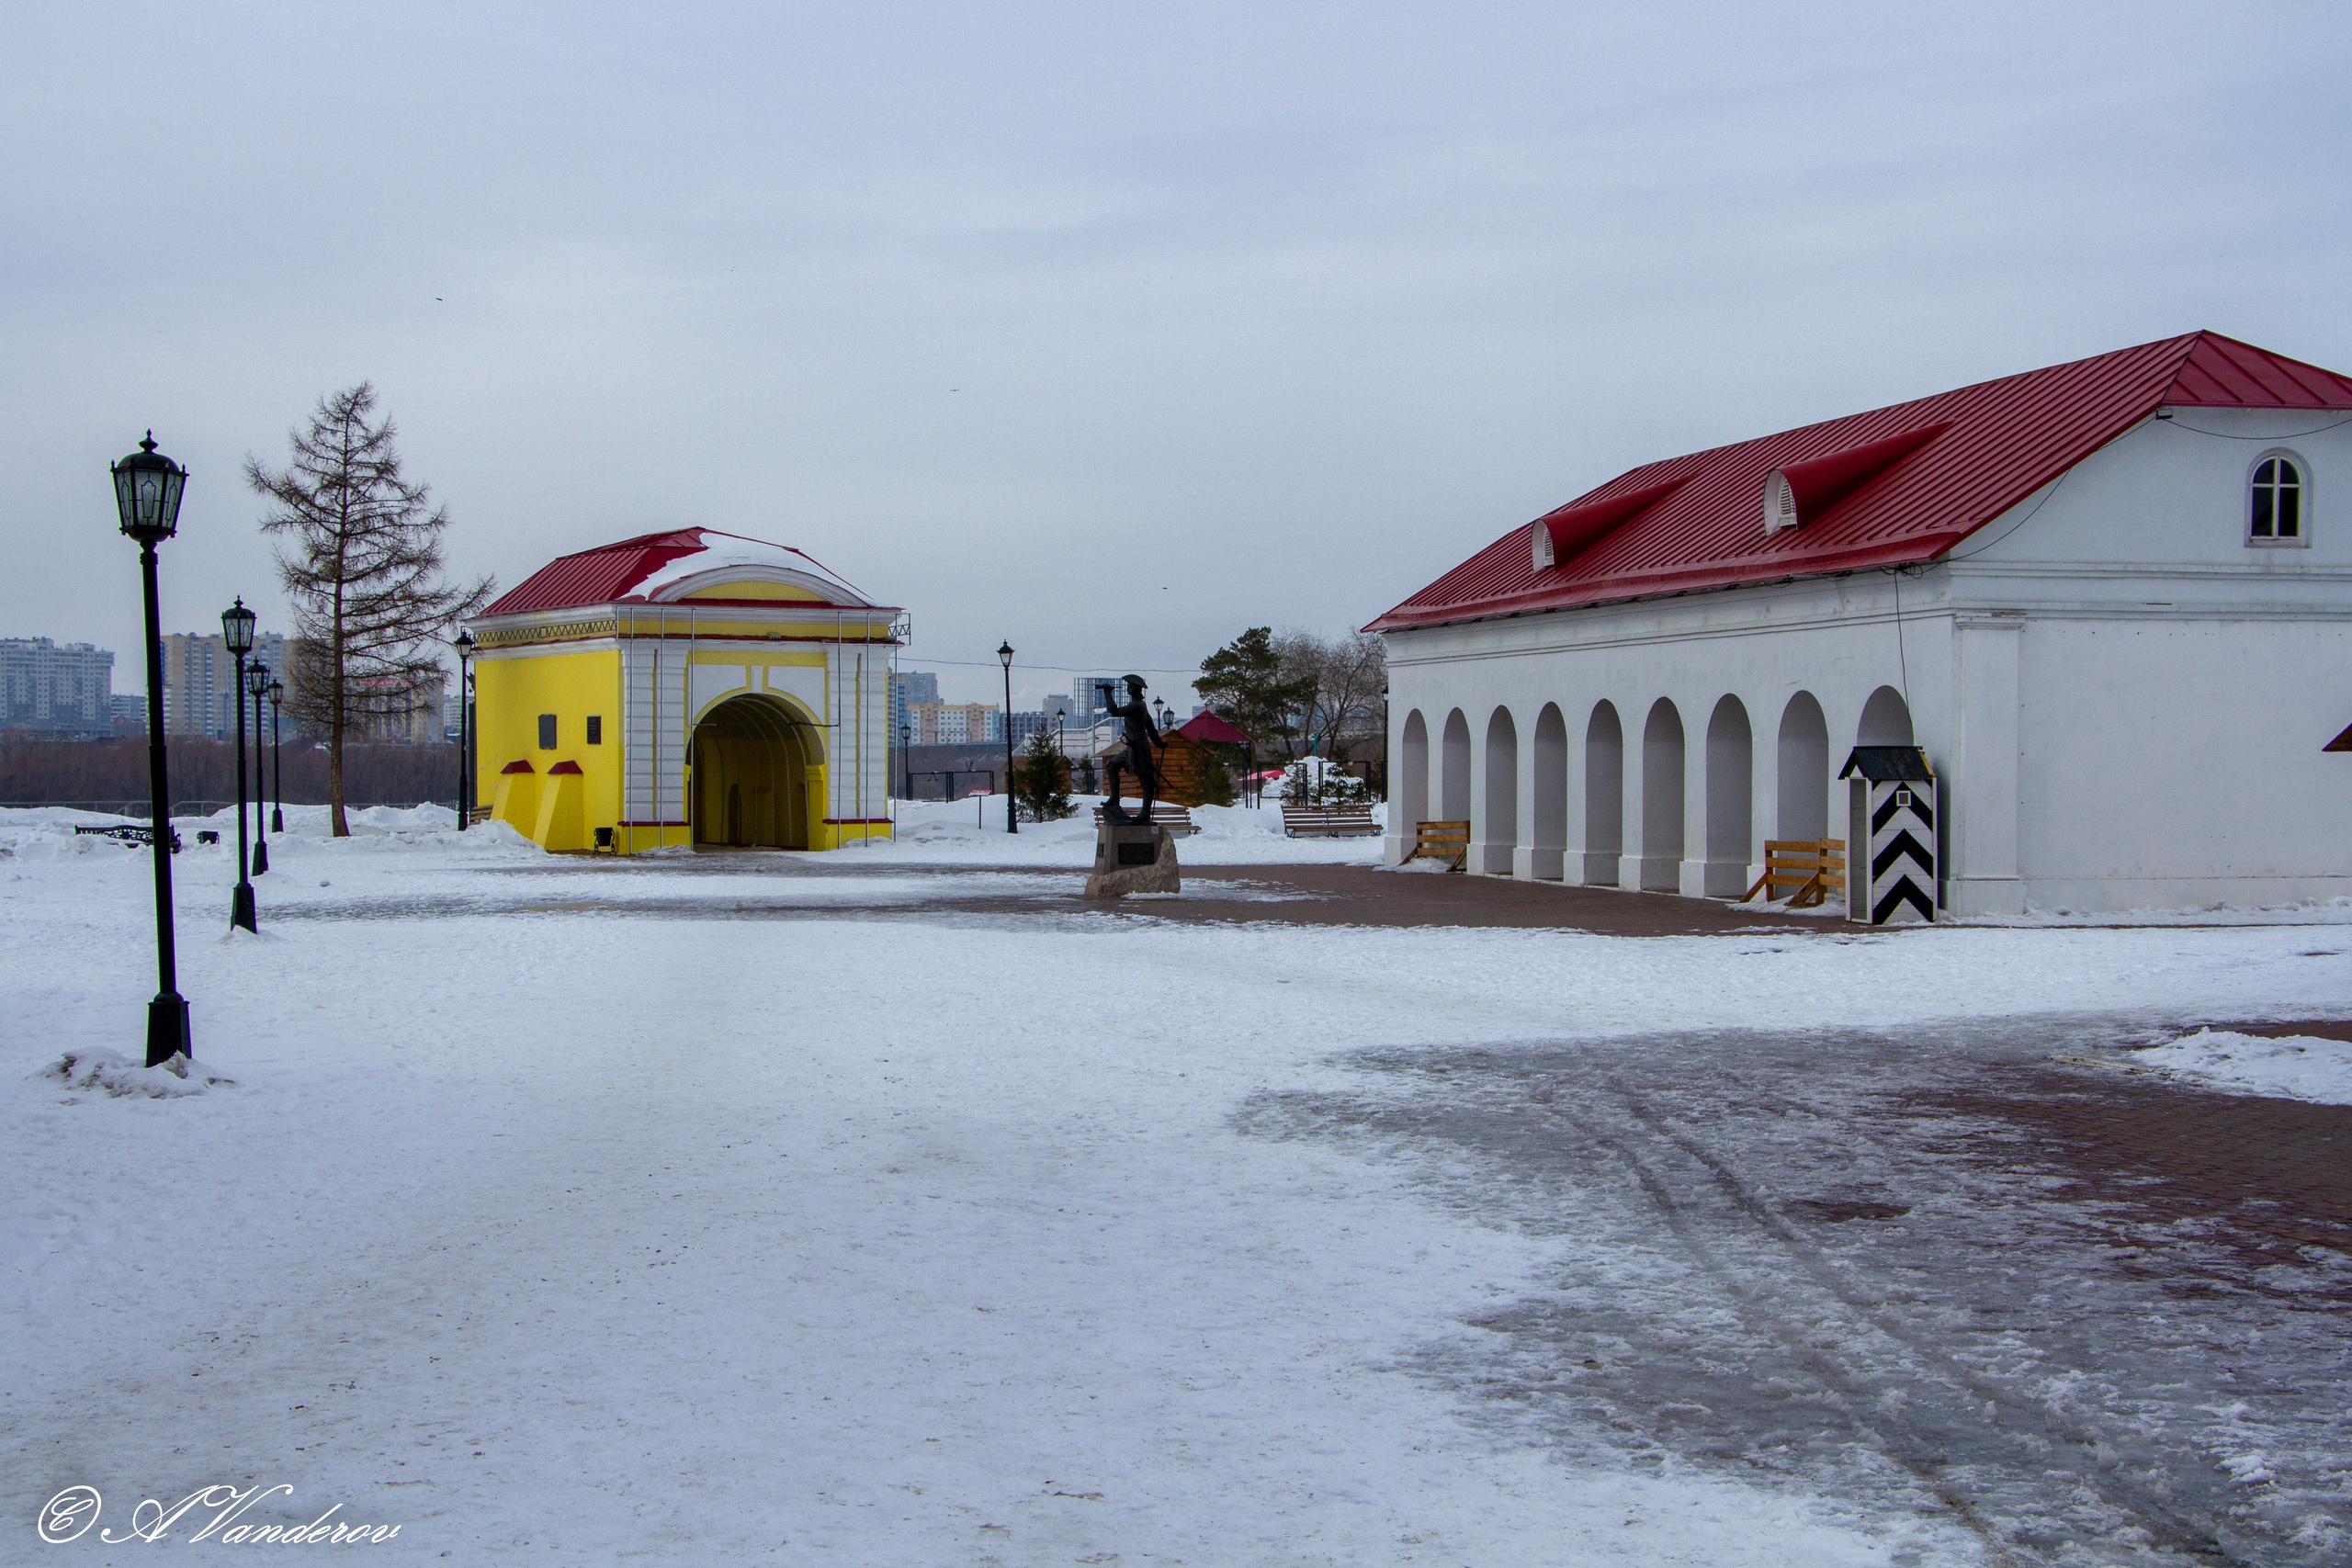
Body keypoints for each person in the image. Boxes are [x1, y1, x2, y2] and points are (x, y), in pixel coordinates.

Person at [1098, 674, 1162, 825]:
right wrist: (1159, 743)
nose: (1127, 688)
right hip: (1131, 748)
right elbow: (1151, 729)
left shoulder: (1137, 706)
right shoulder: (1140, 705)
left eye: (1130, 686)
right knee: (1111, 766)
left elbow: (1114, 711)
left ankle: (1145, 815)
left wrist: (1107, 694)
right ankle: (1114, 799)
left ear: (1136, 689)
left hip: (1139, 747)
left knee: (1146, 781)